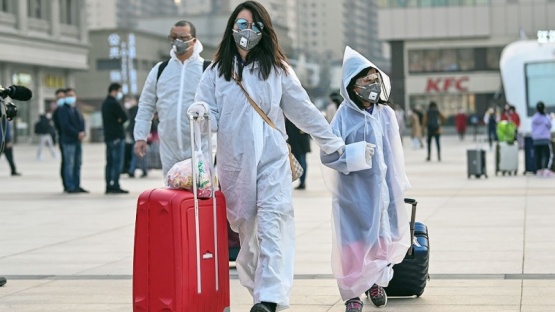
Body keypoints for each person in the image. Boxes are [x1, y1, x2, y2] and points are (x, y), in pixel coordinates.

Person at [188, 2, 364, 311]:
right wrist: (201, 118)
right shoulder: (216, 72)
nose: (247, 32)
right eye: (241, 24)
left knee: (273, 225)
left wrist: (333, 143)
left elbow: (303, 110)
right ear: (231, 29)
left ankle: (269, 298)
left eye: (255, 26)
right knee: (247, 234)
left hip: (272, 162)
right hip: (235, 166)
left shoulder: (277, 70)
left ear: (264, 31)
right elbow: (207, 116)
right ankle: (262, 291)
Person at [320, 46, 411, 312]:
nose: (372, 85)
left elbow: (395, 154)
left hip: (383, 191)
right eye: (366, 80)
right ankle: (352, 295)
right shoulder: (342, 117)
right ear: (352, 85)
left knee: (382, 238)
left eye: (375, 79)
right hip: (354, 194)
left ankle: (375, 283)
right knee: (353, 245)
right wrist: (354, 153)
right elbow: (328, 155)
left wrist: (398, 185)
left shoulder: (386, 115)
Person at [134, 20, 208, 177]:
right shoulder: (160, 70)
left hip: (201, 147)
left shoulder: (208, 70)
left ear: (194, 40)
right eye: (174, 37)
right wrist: (140, 136)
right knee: (173, 194)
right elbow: (146, 105)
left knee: (202, 195)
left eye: (183, 37)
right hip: (169, 148)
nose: (178, 41)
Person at [57, 87, 88, 193]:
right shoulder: (62, 110)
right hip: (68, 141)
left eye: (72, 95)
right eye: (69, 95)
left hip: (77, 141)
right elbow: (65, 126)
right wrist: (77, 133)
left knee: (77, 164)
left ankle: (77, 184)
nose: (71, 97)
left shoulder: (76, 108)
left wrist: (83, 132)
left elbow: (82, 122)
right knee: (69, 164)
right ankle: (70, 186)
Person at [101, 83, 129, 194]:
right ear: (114, 91)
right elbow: (124, 117)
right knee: (116, 162)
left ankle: (109, 184)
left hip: (109, 136)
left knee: (110, 162)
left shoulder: (105, 103)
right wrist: (119, 121)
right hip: (116, 136)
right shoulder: (113, 103)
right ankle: (115, 184)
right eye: (119, 91)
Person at [285, 118, 310, 190]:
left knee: (301, 160)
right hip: (298, 140)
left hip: (299, 140)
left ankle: (302, 181)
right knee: (301, 160)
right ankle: (302, 181)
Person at [126, 96, 147, 178]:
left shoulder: (136, 110)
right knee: (137, 152)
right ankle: (142, 169)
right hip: (134, 134)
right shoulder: (131, 110)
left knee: (136, 152)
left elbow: (134, 122)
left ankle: (132, 170)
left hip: (137, 134)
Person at [531, 101, 554, 177]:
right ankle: (546, 169)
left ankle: (539, 170)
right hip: (544, 139)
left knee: (538, 155)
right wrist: (550, 118)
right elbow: (549, 126)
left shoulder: (534, 118)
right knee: (547, 154)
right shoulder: (546, 117)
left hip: (536, 139)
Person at [51, 88, 67, 191]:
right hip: (64, 139)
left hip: (70, 139)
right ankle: (66, 184)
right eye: (59, 97)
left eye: (62, 97)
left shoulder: (69, 109)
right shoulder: (57, 112)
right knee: (66, 162)